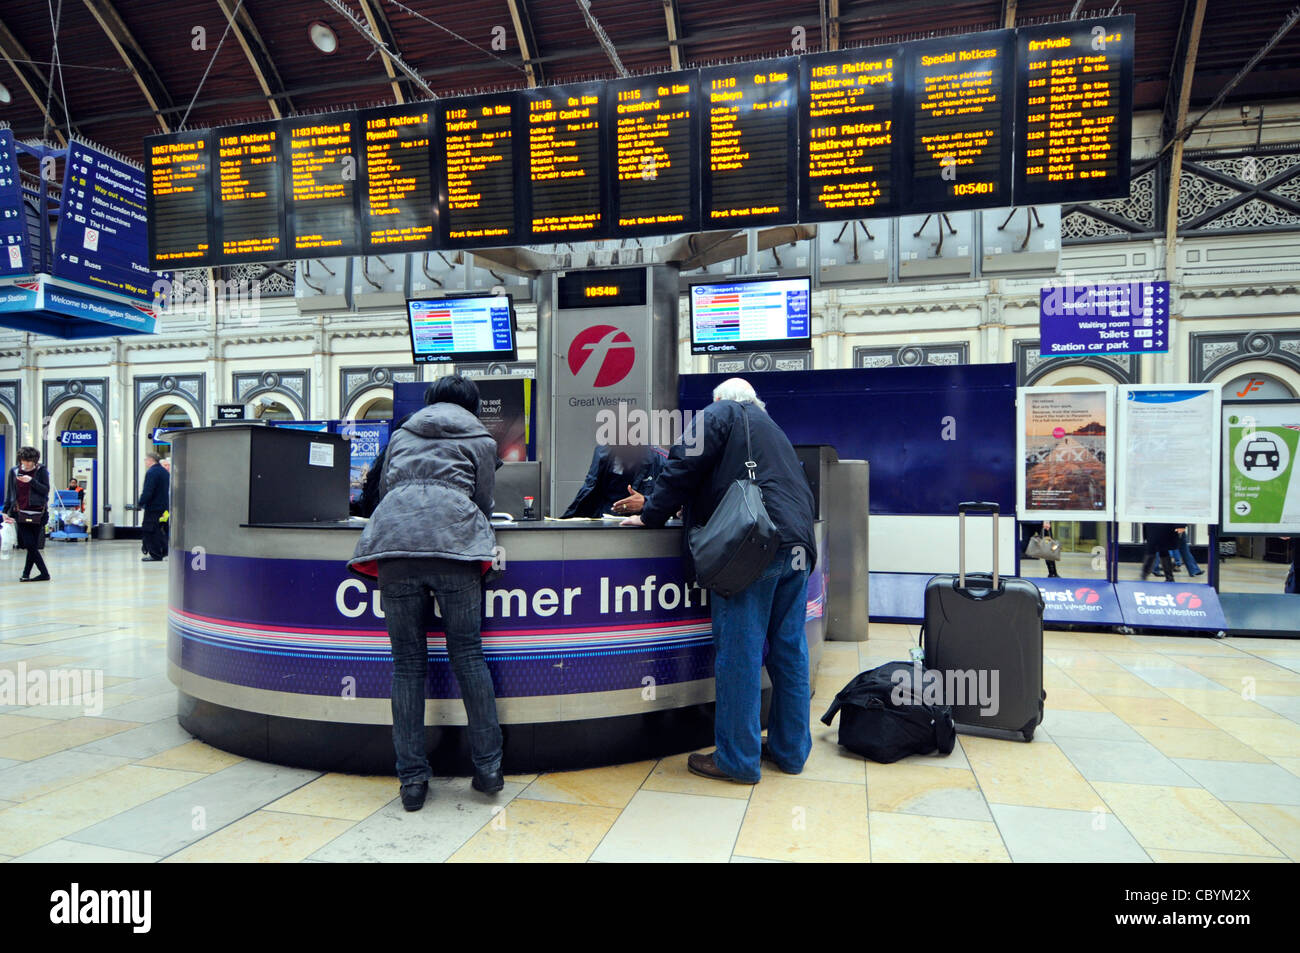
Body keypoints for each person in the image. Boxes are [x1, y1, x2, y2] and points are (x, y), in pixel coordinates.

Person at [621, 378, 817, 785]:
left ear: (721, 400)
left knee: (740, 654)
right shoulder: (771, 427)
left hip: (751, 546)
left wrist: (651, 514)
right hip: (797, 547)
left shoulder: (721, 411)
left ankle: (737, 760)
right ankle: (791, 751)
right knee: (790, 652)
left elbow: (681, 464)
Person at [348, 376, 504, 812]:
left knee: (408, 664)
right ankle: (489, 768)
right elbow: (484, 503)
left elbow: (382, 495)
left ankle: (413, 781)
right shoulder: (481, 438)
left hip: (396, 545)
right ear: (472, 404)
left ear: (431, 401)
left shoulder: (401, 433)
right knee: (468, 655)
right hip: (456, 547)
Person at [562, 443, 665, 518]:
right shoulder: (603, 453)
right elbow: (589, 491)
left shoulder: (660, 459)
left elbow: (672, 501)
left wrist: (646, 503)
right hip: (604, 523)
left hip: (638, 528)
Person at [3, 447, 52, 582]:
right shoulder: (14, 471)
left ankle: (30, 574)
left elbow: (45, 490)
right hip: (20, 512)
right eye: (25, 460)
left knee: (32, 545)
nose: (27, 463)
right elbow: (10, 493)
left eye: (30, 461)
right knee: (29, 544)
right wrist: (5, 511)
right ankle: (39, 573)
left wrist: (31, 481)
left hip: (38, 513)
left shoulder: (41, 471)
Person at [138, 451, 170, 561]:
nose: (145, 462)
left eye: (146, 460)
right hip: (164, 508)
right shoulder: (164, 472)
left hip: (153, 508)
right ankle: (165, 551)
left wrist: (141, 502)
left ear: (151, 460)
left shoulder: (152, 472)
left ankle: (155, 554)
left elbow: (148, 490)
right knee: (161, 529)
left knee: (150, 529)